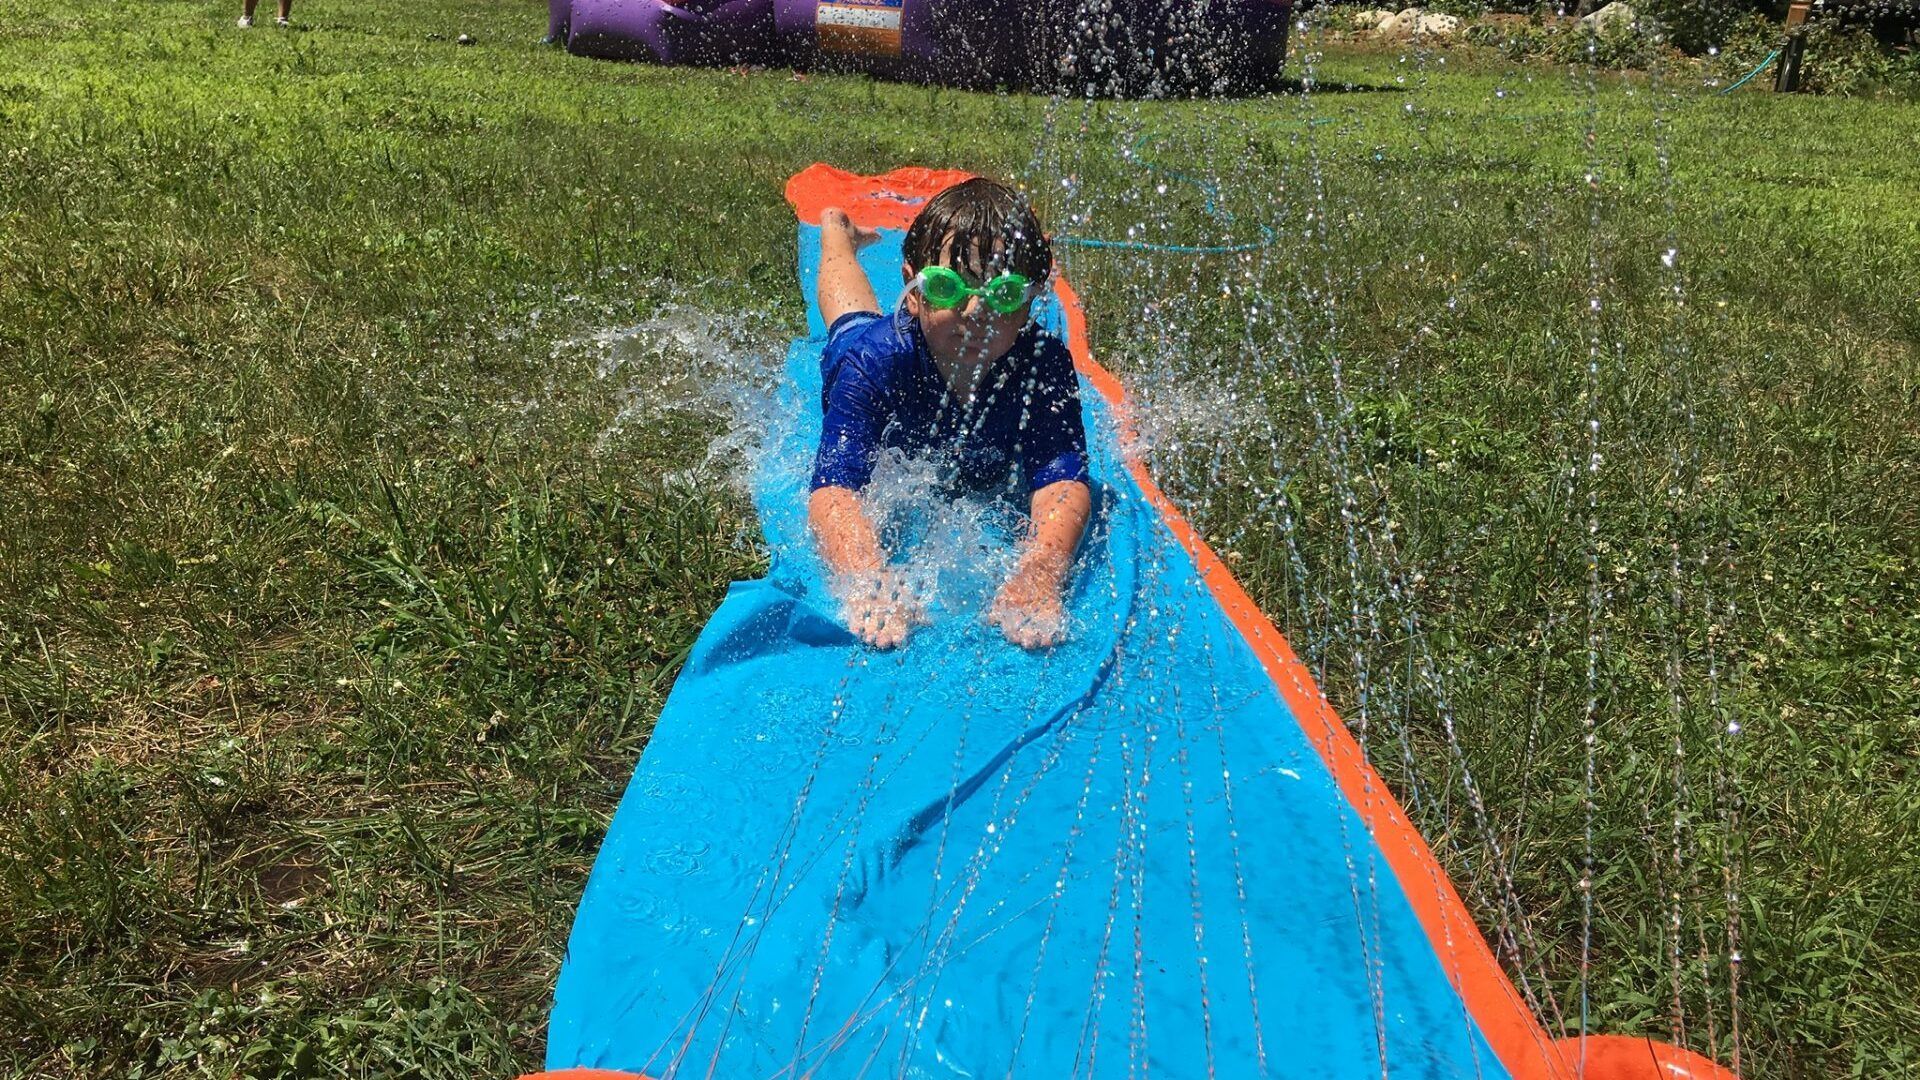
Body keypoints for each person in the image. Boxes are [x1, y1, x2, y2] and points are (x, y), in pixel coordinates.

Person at [810, 178, 1092, 651]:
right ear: (914, 288)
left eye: (1003, 293)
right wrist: (867, 578)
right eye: (947, 287)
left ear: (1031, 298)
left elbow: (1061, 479)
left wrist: (1039, 573)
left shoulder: (1043, 364)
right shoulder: (874, 361)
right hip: (865, 342)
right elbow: (835, 488)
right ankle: (836, 233)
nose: (976, 311)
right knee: (849, 318)